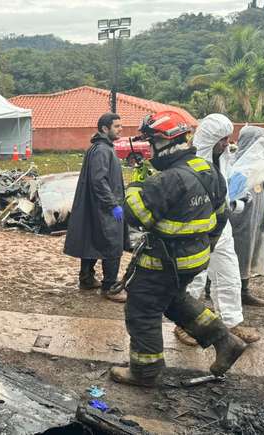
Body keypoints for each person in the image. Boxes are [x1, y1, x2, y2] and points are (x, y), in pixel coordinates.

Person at [111, 111, 246, 387]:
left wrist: (134, 188)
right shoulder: (209, 172)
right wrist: (202, 248)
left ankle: (144, 372)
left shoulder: (169, 179)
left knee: (142, 308)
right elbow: (220, 219)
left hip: (164, 262)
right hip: (194, 260)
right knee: (174, 301)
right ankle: (225, 340)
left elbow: (138, 216)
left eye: (152, 143)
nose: (150, 150)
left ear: (164, 141)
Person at [175, 114, 260, 346]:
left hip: (221, 228)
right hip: (196, 229)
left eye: (228, 139)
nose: (227, 143)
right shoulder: (189, 162)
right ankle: (184, 324)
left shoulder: (224, 159)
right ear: (211, 138)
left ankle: (231, 322)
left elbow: (229, 186)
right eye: (223, 139)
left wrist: (239, 200)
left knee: (228, 273)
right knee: (195, 278)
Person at [64, 112, 126, 302]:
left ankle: (87, 279)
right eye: (116, 126)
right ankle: (109, 287)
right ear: (104, 129)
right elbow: (99, 181)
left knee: (90, 239)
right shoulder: (101, 150)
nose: (120, 129)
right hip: (105, 207)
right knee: (113, 244)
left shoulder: (101, 148)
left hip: (95, 206)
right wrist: (113, 204)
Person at [230, 126, 264, 307]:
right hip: (238, 219)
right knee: (235, 252)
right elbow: (230, 195)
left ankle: (243, 290)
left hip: (258, 216)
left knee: (252, 251)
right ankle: (216, 287)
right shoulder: (234, 165)